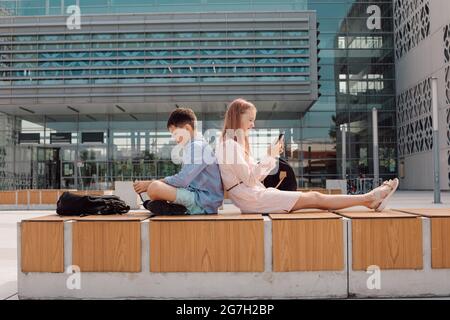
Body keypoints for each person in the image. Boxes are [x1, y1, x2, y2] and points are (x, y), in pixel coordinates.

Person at [215, 98, 398, 214]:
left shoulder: (233, 144)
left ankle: (369, 200)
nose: (253, 125)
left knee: (315, 198)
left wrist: (270, 158)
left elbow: (254, 179)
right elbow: (249, 179)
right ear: (237, 118)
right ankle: (369, 198)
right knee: (316, 198)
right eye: (250, 120)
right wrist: (268, 156)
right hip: (254, 200)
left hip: (255, 197)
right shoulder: (229, 145)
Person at [133, 108, 224, 215]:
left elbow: (182, 180)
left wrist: (149, 184)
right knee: (156, 188)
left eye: (175, 134)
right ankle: (172, 207)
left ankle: (177, 208)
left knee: (154, 188)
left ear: (187, 128)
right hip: (198, 197)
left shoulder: (197, 147)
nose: (175, 139)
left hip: (203, 203)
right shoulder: (195, 146)